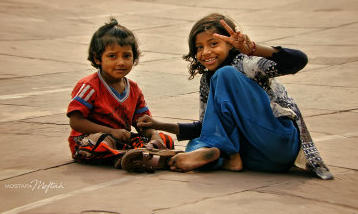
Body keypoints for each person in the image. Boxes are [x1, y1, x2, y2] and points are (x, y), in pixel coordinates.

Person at [136, 13, 333, 179]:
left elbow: (299, 60)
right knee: (197, 143)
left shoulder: (245, 63)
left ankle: (216, 152)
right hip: (261, 160)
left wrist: (255, 49)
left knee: (225, 76)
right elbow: (208, 126)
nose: (205, 52)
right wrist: (159, 125)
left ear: (230, 45)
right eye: (199, 47)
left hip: (279, 141)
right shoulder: (207, 81)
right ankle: (226, 158)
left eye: (213, 43)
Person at [66, 17, 174, 167]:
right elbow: (75, 121)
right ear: (98, 58)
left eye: (127, 56)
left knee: (165, 139)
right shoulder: (89, 86)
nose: (121, 62)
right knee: (100, 142)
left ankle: (136, 156)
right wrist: (111, 132)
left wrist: (153, 135)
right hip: (91, 139)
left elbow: (143, 122)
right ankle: (132, 158)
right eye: (112, 56)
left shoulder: (134, 89)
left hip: (121, 140)